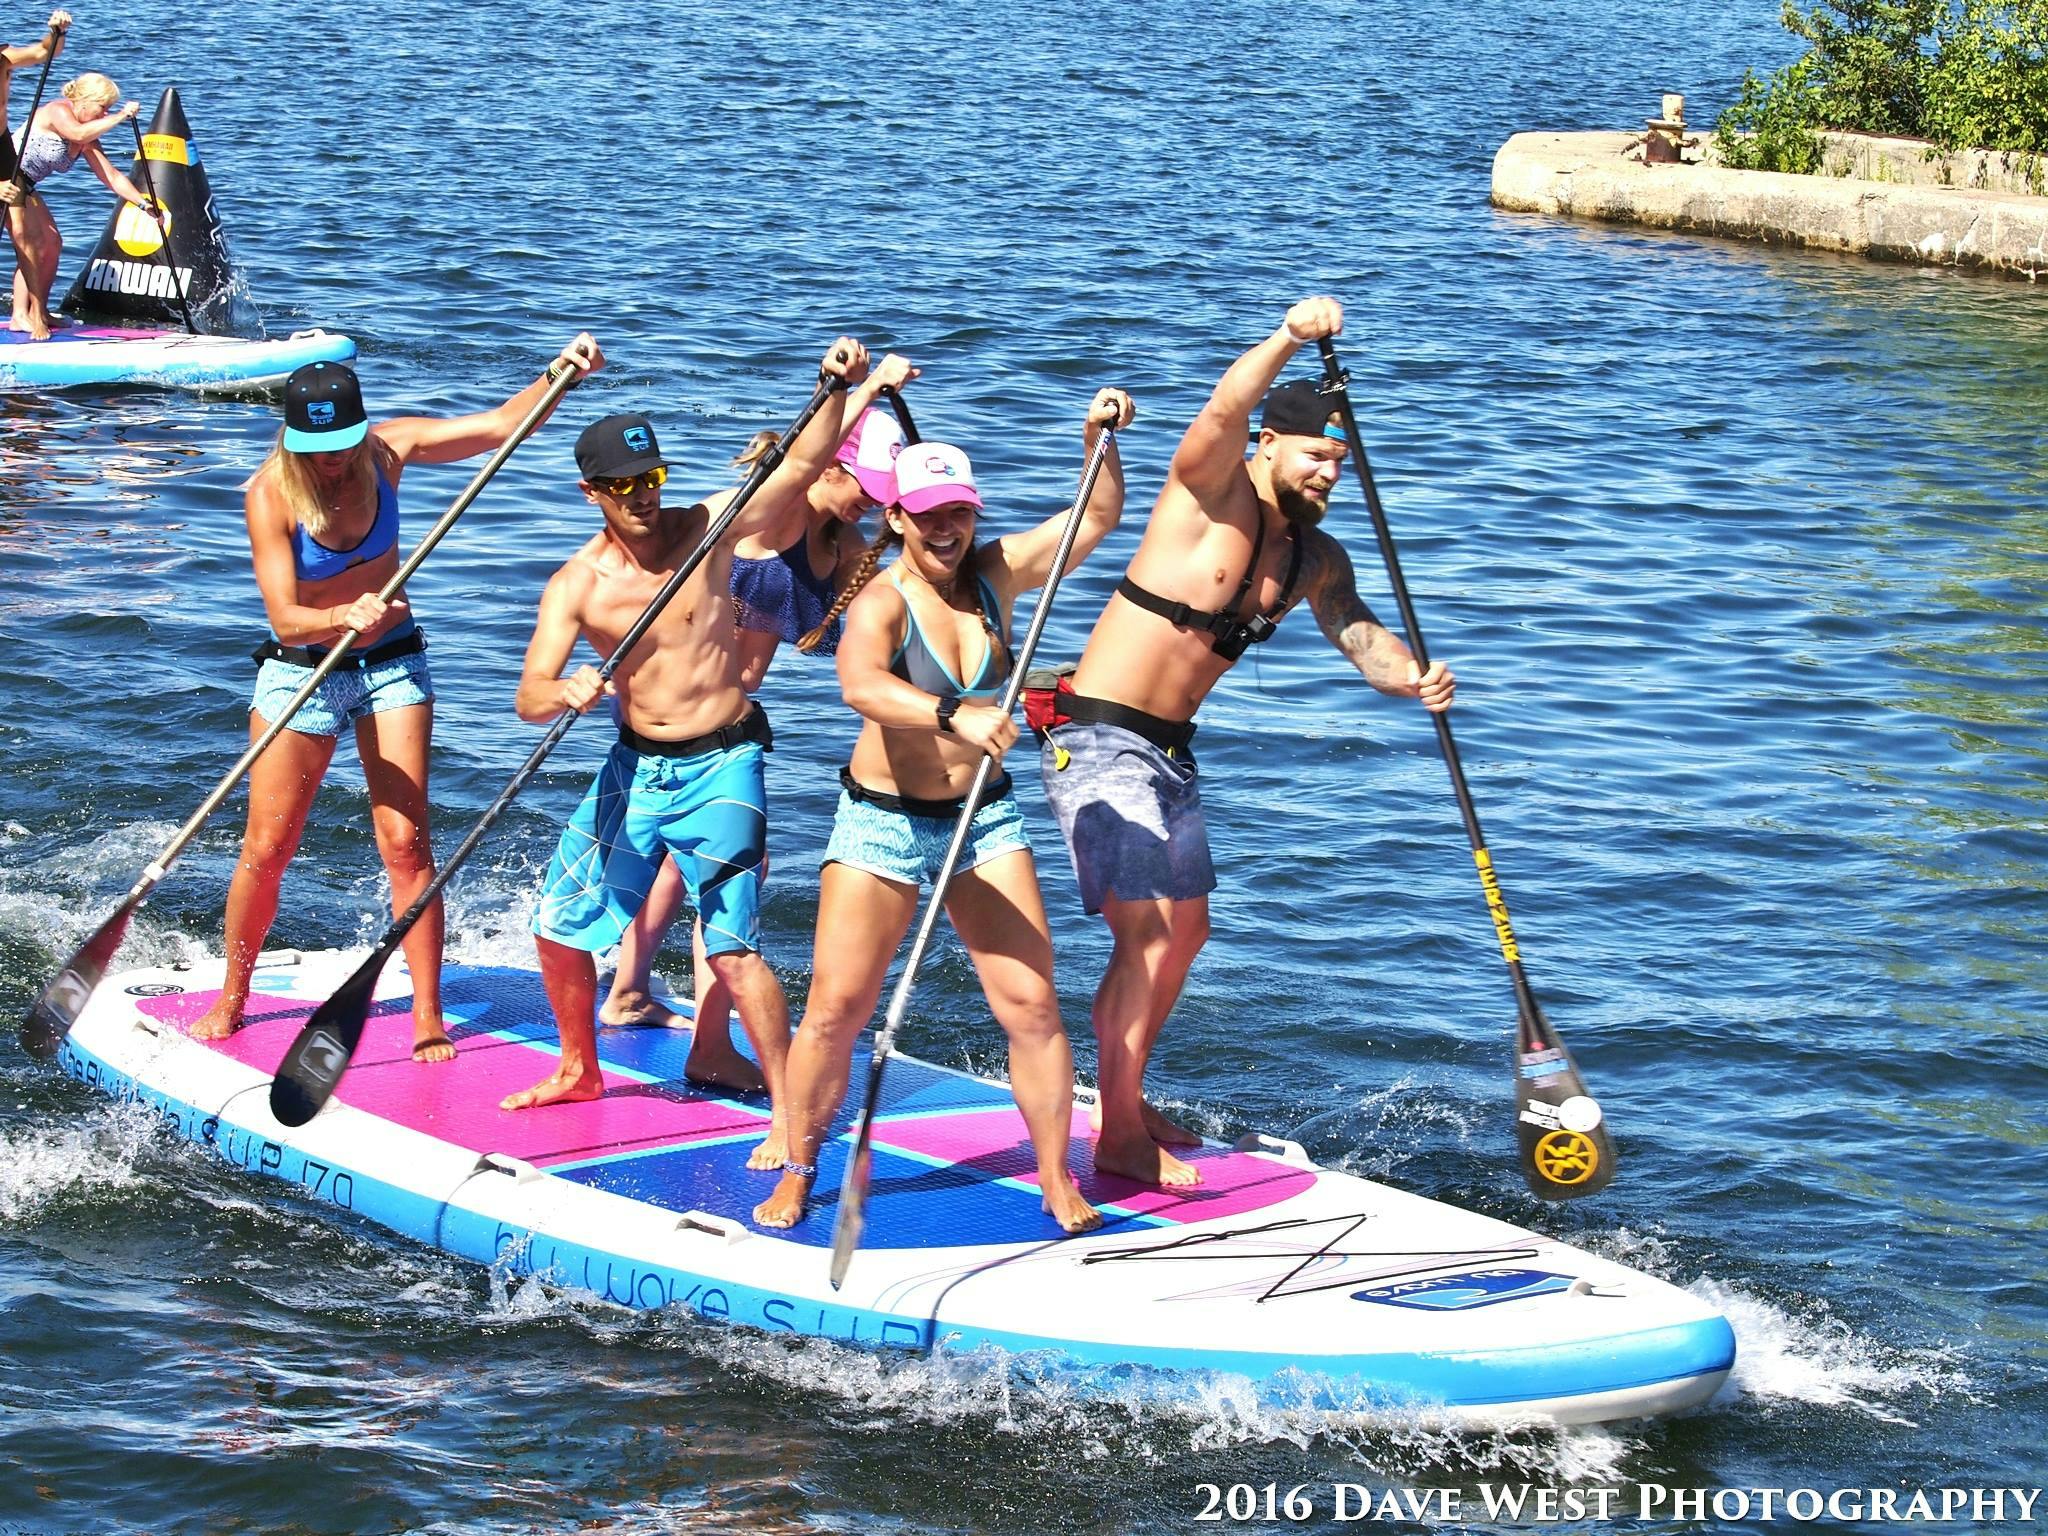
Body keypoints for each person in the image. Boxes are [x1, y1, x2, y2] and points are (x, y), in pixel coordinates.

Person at [1038, 298, 1456, 1188]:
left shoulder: (1317, 557)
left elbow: (1360, 636)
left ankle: (1126, 1097)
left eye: (1340, 463)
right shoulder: (1207, 489)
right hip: (1097, 736)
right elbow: (1222, 409)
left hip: (1170, 753)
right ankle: (1115, 1134)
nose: (1328, 475)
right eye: (1315, 456)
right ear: (1269, 444)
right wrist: (1287, 338)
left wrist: (1413, 678)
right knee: (1146, 935)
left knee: (1187, 934)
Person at [752, 388, 1136, 1235]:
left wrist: (1097, 438)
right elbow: (861, 683)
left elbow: (1096, 517)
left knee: (1033, 1008)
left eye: (957, 511)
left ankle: (1055, 1177)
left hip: (983, 819)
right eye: (927, 514)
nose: (946, 529)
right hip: (881, 822)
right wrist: (951, 712)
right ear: (895, 517)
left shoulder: (995, 574)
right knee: (836, 1011)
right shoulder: (883, 601)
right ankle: (801, 1161)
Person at [507, 339, 873, 1159]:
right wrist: (560, 693)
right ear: (590, 492)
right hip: (633, 769)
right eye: (623, 486)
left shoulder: (708, 529)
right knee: (559, 929)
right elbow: (528, 693)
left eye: (651, 479)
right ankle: (579, 1068)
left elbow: (799, 465)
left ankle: (789, 1117)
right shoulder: (578, 584)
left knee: (735, 951)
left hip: (723, 765)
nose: (642, 498)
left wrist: (834, 386)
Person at [191, 336, 605, 1060]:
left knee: (406, 841)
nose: (332, 460)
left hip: (392, 664)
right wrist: (334, 618)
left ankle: (426, 1014)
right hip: (301, 668)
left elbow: (503, 424)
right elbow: (286, 616)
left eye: (342, 444)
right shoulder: (268, 494)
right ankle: (233, 998)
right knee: (269, 845)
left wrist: (558, 373)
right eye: (317, 447)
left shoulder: (388, 452)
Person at [598, 366, 917, 1056]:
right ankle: (665, 1013)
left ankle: (631, 990)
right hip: (669, 706)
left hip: (725, 722)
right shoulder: (781, 508)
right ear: (835, 463)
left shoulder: (840, 546)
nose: (871, 503)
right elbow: (805, 445)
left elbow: (901, 607)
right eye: (867, 486)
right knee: (724, 864)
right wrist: (857, 389)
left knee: (697, 863)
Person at [9, 68, 148, 339]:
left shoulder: (86, 137)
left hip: (27, 185)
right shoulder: (58, 111)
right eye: (103, 107)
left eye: (109, 109)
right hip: (6, 179)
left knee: (52, 242)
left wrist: (143, 204)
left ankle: (41, 311)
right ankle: (21, 315)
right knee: (34, 244)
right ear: (84, 100)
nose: (105, 114)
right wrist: (122, 116)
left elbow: (110, 176)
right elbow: (78, 132)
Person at [0, 10, 68, 192]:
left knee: (17, 209)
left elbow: (45, 51)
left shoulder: (4, 58)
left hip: (2, 141)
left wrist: (57, 32)